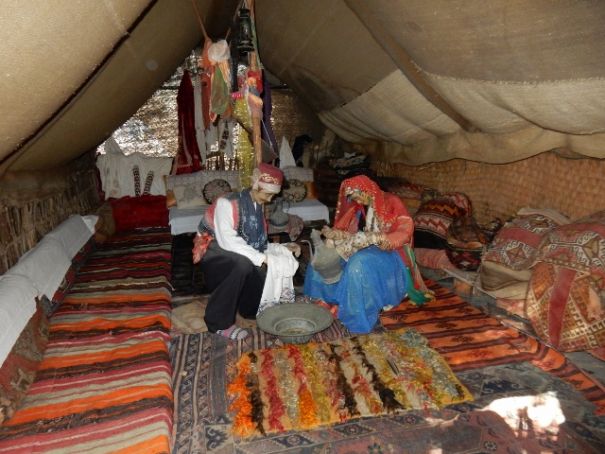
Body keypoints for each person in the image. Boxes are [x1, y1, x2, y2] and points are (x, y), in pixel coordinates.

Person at [303, 175, 431, 334]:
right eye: (354, 198)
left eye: (358, 196)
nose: (357, 201)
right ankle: (324, 299)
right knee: (323, 257)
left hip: (391, 252)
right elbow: (354, 235)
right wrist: (337, 235)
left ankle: (356, 313)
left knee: (358, 263)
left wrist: (379, 238)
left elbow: (406, 229)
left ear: (367, 190)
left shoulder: (391, 201)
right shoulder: (361, 208)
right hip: (366, 248)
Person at [192, 163, 284, 340]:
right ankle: (218, 324)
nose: (270, 199)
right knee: (243, 264)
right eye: (267, 194)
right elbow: (227, 240)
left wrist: (280, 249)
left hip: (234, 251)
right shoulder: (226, 203)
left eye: (273, 195)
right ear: (256, 185)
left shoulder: (256, 204)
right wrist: (261, 257)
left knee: (262, 269)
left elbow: (258, 241)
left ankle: (250, 310)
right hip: (214, 250)